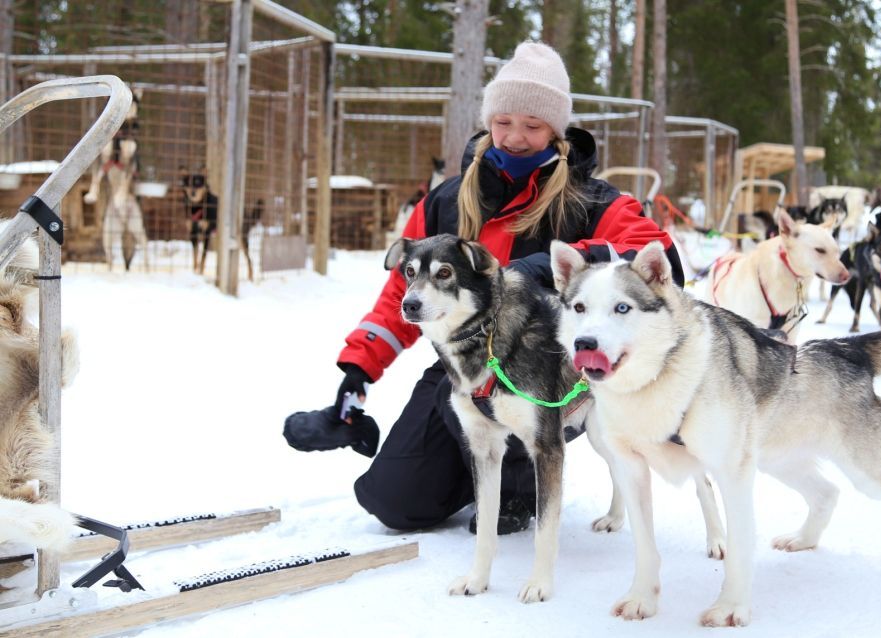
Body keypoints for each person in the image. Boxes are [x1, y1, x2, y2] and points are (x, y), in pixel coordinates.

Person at [284, 41, 684, 535]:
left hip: (548, 371)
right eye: (504, 121)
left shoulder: (593, 201)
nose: (515, 136)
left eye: (533, 126)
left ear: (557, 130)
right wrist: (358, 370)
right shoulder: (447, 201)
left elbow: (663, 260)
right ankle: (474, 470)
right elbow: (401, 293)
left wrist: (560, 264)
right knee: (395, 503)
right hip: (461, 359)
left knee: (495, 415)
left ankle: (523, 483)